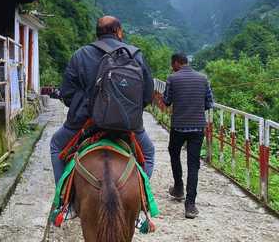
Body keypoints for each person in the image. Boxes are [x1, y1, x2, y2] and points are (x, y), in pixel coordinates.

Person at [50, 16, 155, 184]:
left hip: (85, 121)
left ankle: (60, 200)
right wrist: (127, 111)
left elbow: (67, 94)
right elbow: (148, 95)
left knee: (56, 145)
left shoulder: (80, 54)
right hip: (127, 124)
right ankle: (144, 196)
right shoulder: (135, 55)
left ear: (97, 33)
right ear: (118, 31)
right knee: (148, 153)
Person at [163, 53, 214, 219]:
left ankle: (178, 188)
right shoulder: (203, 78)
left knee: (174, 153)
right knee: (193, 164)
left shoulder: (172, 78)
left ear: (177, 63)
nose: (172, 68)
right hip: (198, 127)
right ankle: (190, 205)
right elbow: (209, 103)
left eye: (173, 64)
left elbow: (166, 101)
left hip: (178, 126)